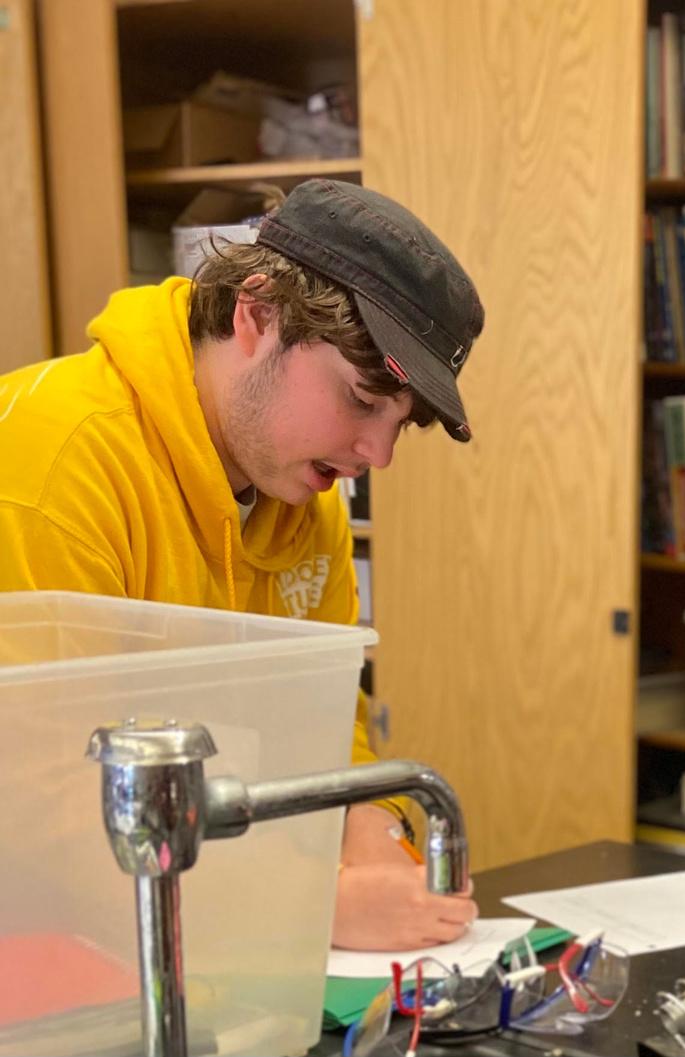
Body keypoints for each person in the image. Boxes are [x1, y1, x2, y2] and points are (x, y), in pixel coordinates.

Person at [0, 179, 484, 951]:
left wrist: (369, 825)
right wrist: (314, 907)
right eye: (362, 399)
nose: (377, 454)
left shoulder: (305, 500)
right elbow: (36, 808)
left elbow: (326, 722)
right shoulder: (52, 468)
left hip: (193, 933)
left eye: (402, 423)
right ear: (257, 315)